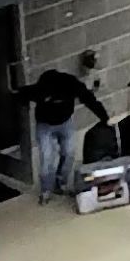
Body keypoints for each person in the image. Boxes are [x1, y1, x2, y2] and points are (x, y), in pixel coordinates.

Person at [15, 51, 103, 196]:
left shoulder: (71, 85)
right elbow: (21, 94)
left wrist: (103, 117)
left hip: (65, 122)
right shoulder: (39, 90)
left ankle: (61, 183)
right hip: (45, 125)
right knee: (46, 158)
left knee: (69, 153)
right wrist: (23, 104)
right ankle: (46, 189)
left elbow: (90, 100)